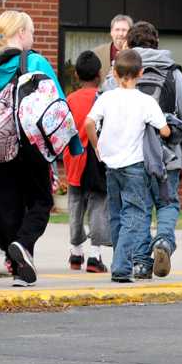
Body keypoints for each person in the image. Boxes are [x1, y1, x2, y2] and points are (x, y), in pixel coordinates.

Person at [0, 10, 80, 288]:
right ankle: (23, 244)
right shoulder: (35, 61)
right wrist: (72, 143)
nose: (33, 37)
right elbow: (57, 105)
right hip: (31, 144)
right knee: (41, 202)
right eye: (31, 32)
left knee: (9, 208)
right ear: (21, 33)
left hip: (1, 147)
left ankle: (19, 267)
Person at [82, 49, 173, 282]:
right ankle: (121, 267)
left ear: (114, 72)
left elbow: (89, 122)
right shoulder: (145, 101)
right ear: (141, 73)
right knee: (134, 214)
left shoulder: (107, 97)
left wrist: (95, 145)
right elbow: (164, 130)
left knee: (116, 214)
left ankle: (118, 259)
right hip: (134, 165)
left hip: (110, 166)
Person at [129, 20, 182, 183]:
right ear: (157, 43)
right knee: (168, 204)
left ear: (129, 44)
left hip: (131, 158)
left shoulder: (119, 73)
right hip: (169, 156)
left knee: (138, 207)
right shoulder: (173, 73)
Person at [64, 51, 110, 274]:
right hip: (96, 162)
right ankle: (95, 255)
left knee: (75, 207)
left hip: (74, 161)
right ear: (100, 74)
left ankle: (75, 252)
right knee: (97, 207)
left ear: (76, 74)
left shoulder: (69, 99)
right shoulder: (102, 98)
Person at [96, 14, 134, 89]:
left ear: (131, 33)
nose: (120, 34)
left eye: (124, 30)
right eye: (117, 30)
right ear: (111, 32)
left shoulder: (137, 54)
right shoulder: (97, 53)